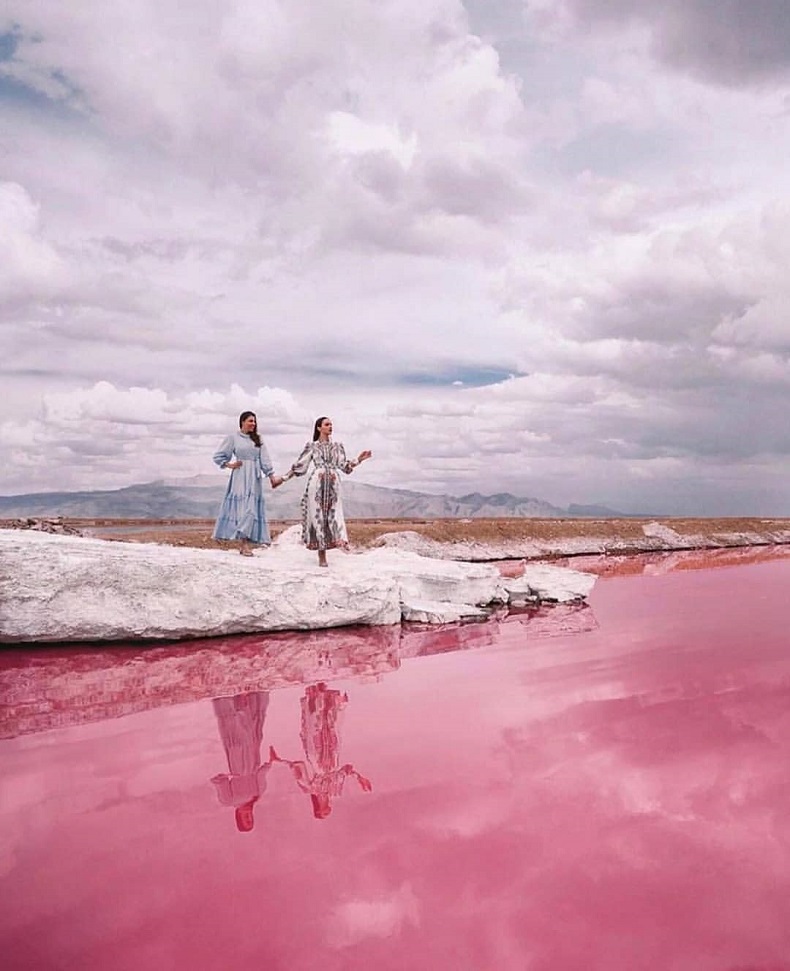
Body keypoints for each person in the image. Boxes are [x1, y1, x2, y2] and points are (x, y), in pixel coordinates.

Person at [278, 416, 372, 567]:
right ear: (319, 428)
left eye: (331, 424)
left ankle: (338, 542)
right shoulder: (312, 446)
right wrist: (282, 479)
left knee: (334, 514)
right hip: (317, 482)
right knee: (318, 516)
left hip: (334, 483)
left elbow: (345, 467)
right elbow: (299, 466)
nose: (330, 427)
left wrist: (359, 460)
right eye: (327, 424)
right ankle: (321, 554)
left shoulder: (337, 447)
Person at [269, 682, 372, 819]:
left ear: (317, 808)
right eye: (327, 810)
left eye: (323, 811)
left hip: (316, 758)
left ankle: (315, 692)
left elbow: (298, 768)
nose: (327, 808)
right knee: (332, 727)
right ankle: (325, 693)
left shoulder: (311, 789)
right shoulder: (335, 789)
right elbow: (345, 771)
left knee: (315, 725)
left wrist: (280, 760)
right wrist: (360, 779)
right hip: (332, 755)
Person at [212, 411, 283, 556]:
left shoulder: (258, 439)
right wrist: (229, 465)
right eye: (250, 421)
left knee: (251, 509)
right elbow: (218, 455)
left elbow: (265, 458)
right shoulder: (233, 438)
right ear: (242, 422)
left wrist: (271, 476)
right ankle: (243, 544)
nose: (253, 424)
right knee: (243, 509)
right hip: (240, 476)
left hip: (254, 478)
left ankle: (245, 541)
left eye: (255, 421)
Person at [210, 691, 273, 833]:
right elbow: (262, 773)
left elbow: (219, 781)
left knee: (234, 727)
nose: (249, 816)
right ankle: (247, 696)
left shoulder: (229, 800)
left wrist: (227, 777)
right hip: (253, 756)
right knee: (252, 726)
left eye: (246, 819)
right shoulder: (258, 795)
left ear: (238, 816)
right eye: (251, 819)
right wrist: (271, 762)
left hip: (236, 761)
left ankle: (232, 696)